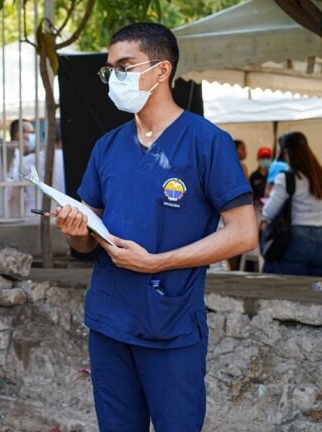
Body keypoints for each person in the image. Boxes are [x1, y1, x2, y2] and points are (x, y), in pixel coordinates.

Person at [54, 23, 257, 431]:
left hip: (170, 323)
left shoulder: (206, 142)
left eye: (125, 66)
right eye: (109, 69)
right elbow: (85, 245)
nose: (114, 78)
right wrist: (74, 229)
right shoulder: (107, 147)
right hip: (110, 322)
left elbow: (243, 233)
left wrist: (158, 262)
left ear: (162, 70)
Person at [261, 132, 322, 275]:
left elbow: (268, 211)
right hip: (321, 239)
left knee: (293, 291)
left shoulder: (286, 179)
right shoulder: (319, 176)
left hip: (296, 239)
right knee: (315, 292)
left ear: (288, 153)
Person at [21, 127, 65, 213]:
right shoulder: (69, 160)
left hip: (33, 213)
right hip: (63, 214)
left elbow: (16, 191)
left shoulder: (27, 160)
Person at [6, 119, 36, 216]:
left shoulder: (26, 157)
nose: (33, 136)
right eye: (31, 132)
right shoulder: (10, 156)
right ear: (19, 134)